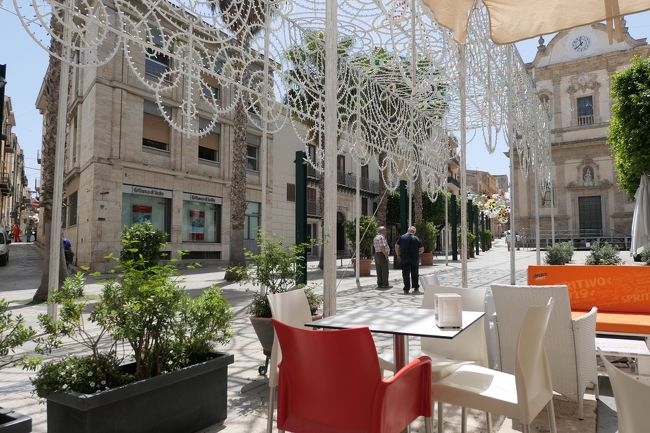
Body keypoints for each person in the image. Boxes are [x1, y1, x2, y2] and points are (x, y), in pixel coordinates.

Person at [394, 226, 424, 295]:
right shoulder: (416, 238)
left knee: (405, 274)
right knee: (415, 273)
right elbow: (422, 249)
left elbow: (396, 246)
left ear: (408, 231)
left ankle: (406, 289)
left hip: (404, 258)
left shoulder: (402, 237)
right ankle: (416, 287)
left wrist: (398, 254)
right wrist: (418, 253)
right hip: (414, 258)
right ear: (414, 232)